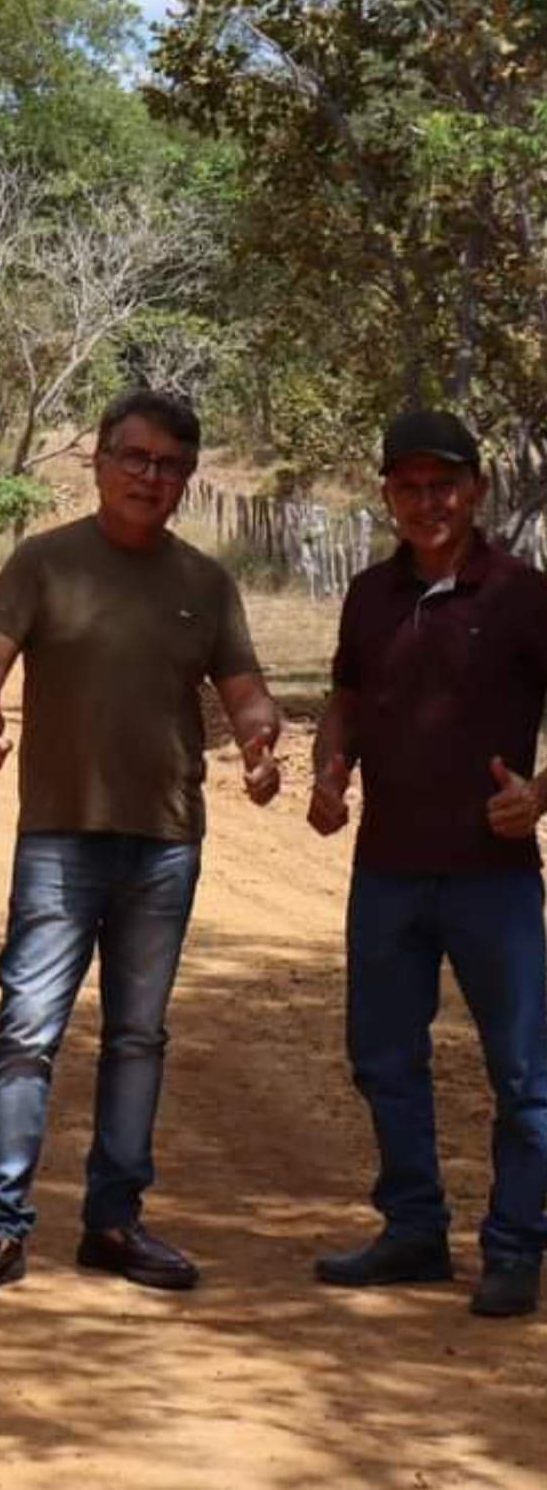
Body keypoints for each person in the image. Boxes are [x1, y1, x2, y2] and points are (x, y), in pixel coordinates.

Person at [0, 388, 281, 1302]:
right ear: (98, 460)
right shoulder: (45, 563)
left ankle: (115, 1224)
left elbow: (244, 687)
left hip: (164, 843)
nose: (148, 477)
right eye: (133, 458)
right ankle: (0, 1227)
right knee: (26, 1031)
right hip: (60, 838)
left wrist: (258, 739)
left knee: (137, 1038)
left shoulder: (205, 583)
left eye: (168, 465)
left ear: (187, 479)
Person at [308, 409, 547, 1319]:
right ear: (387, 497)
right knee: (383, 1058)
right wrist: (332, 766)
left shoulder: (524, 593)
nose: (427, 502)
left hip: (494, 877)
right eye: (408, 487)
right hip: (387, 872)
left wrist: (539, 794)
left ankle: (516, 1247)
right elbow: (347, 696)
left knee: (523, 1072)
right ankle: (413, 1231)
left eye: (443, 484)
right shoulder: (369, 595)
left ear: (476, 489)